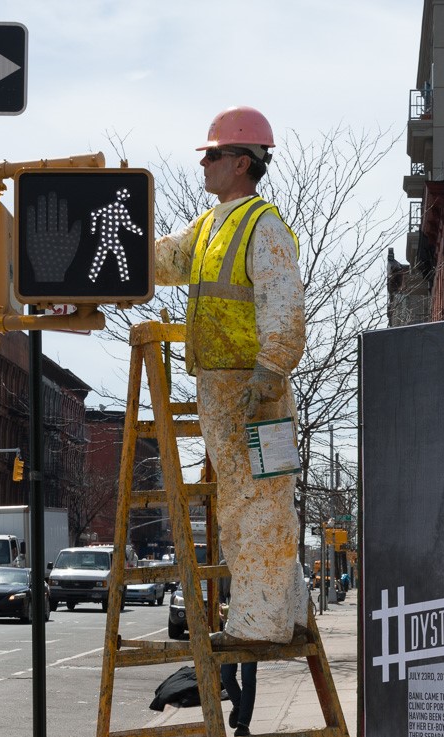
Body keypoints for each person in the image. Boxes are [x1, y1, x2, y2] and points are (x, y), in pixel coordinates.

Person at [155, 106, 308, 649]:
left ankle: (261, 624)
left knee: (260, 501)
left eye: (214, 154)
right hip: (224, 388)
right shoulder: (210, 226)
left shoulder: (262, 225)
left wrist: (270, 370)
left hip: (255, 391)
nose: (205, 163)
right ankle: (285, 613)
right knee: (248, 500)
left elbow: (283, 302)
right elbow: (165, 261)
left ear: (242, 163)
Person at [222, 661, 258, 737]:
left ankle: (243, 724)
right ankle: (239, 705)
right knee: (226, 676)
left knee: (248, 679)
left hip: (251, 649)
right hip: (228, 649)